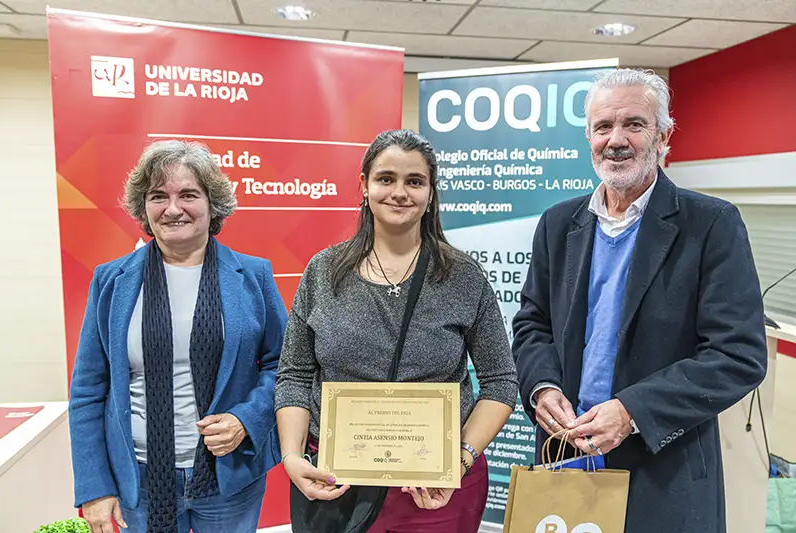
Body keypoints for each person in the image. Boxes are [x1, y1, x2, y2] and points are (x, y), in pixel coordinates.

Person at [512, 68, 767, 533]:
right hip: (566, 461)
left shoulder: (711, 224)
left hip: (663, 472)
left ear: (664, 136)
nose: (616, 139)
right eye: (603, 126)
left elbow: (738, 355)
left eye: (634, 123)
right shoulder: (557, 223)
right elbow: (533, 324)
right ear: (588, 136)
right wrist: (542, 388)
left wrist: (631, 411)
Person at [274, 129, 518, 532]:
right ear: (364, 186)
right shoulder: (324, 271)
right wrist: (291, 456)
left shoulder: (464, 277)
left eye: (414, 181)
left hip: (435, 492)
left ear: (430, 192)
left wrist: (457, 459)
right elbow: (295, 374)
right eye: (386, 179)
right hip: (335, 482)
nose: (399, 192)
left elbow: (499, 381)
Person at [68, 140, 287, 533]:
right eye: (158, 196)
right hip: (139, 478)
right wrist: (94, 488)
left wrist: (246, 418)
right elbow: (87, 391)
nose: (172, 208)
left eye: (188, 194)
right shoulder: (112, 281)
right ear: (143, 207)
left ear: (212, 203)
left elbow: (284, 367)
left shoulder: (252, 276)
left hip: (229, 477)